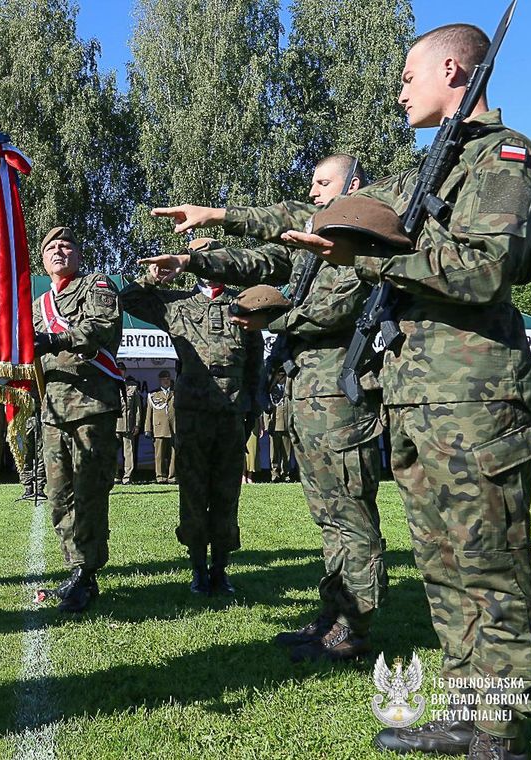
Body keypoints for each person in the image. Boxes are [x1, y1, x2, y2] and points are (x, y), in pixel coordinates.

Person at [155, 24, 531, 758]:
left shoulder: (506, 160)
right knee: (444, 569)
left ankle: (504, 734)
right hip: (417, 402)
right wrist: (220, 219)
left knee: (489, 569)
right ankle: (469, 712)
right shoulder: (422, 173)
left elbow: (482, 270)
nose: (400, 88)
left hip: (476, 401)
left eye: (410, 74)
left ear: (453, 68)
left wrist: (372, 260)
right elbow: (315, 219)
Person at [143, 153, 387, 663]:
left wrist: (270, 320)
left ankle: (356, 624)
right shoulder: (311, 246)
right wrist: (191, 261)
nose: (315, 193)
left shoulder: (359, 241)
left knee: (349, 514)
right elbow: (255, 259)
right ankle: (336, 615)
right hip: (310, 396)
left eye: (323, 183)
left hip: (339, 396)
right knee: (328, 516)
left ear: (353, 185)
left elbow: (331, 309)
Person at [122, 274, 262, 596]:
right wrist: (151, 278)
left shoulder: (244, 303)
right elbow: (126, 301)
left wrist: (252, 408)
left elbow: (256, 363)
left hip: (231, 412)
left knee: (227, 494)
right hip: (192, 414)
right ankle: (198, 568)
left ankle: (221, 570)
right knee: (194, 494)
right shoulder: (178, 303)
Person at [32, 227, 123, 613]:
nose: (59, 251)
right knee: (59, 495)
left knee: (89, 492)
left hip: (91, 407)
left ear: (79, 253)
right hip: (53, 409)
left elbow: (101, 328)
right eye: (51, 247)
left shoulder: (95, 285)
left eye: (67, 245)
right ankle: (75, 569)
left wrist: (55, 340)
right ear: (43, 259)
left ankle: (86, 572)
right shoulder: (38, 304)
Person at [144, 370, 176, 484]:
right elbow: (149, 413)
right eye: (163, 379)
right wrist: (147, 429)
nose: (165, 381)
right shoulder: (153, 394)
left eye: (167, 379)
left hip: (174, 428)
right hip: (159, 428)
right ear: (160, 380)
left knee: (174, 454)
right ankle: (160, 476)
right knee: (159, 455)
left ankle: (172, 477)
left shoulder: (176, 392)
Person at [115, 364, 144, 485]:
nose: (121, 372)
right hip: (114, 424)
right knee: (113, 451)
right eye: (119, 370)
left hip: (128, 424)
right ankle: (115, 475)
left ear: (125, 372)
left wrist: (137, 425)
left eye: (122, 370)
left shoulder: (132, 387)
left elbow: (137, 408)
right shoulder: (111, 385)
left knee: (129, 452)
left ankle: (127, 477)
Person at [265, 372, 292, 482]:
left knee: (287, 453)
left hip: (286, 424)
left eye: (283, 375)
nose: (281, 377)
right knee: (274, 452)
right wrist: (267, 425)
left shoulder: (289, 389)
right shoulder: (271, 390)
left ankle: (286, 474)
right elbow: (266, 410)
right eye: (279, 375)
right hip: (274, 424)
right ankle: (275, 473)